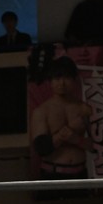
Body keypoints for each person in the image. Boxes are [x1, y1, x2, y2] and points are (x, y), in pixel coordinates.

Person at [31, 56, 92, 190]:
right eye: (57, 78)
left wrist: (77, 140)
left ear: (74, 80)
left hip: (80, 174)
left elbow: (97, 146)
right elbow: (41, 148)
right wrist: (65, 133)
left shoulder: (85, 109)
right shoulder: (42, 111)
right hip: (52, 174)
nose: (62, 83)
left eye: (66, 78)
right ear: (50, 81)